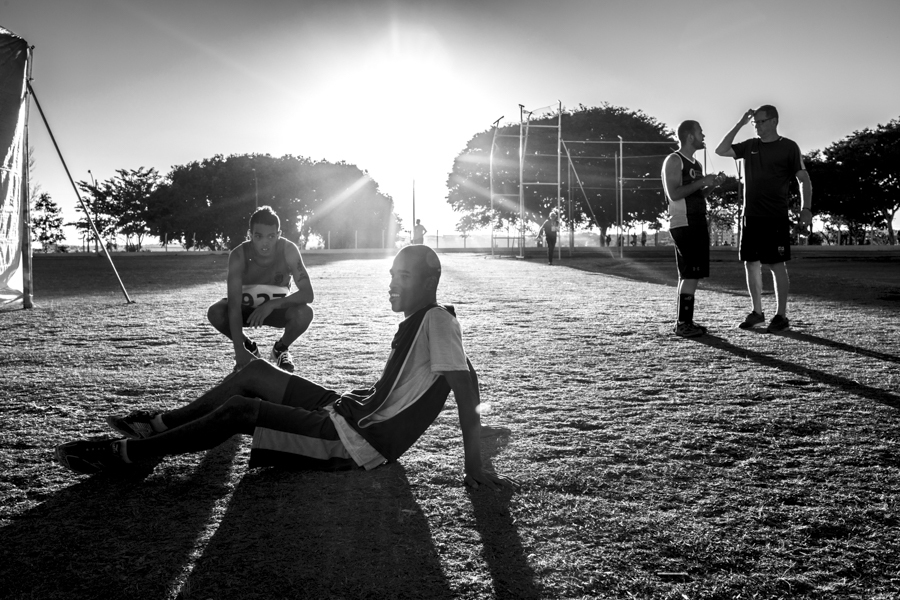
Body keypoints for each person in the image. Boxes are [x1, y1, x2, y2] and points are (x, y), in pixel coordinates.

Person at [54, 246, 515, 491]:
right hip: (349, 410)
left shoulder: (436, 319)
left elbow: (462, 383)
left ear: (430, 282)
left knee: (241, 408)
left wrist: (473, 463)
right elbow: (460, 378)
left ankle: (131, 455)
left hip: (357, 442)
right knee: (254, 372)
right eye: (392, 275)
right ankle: (156, 425)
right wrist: (486, 431)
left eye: (404, 277)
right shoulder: (431, 320)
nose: (391, 284)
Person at [715, 105, 813, 332]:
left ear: (773, 121)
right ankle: (757, 312)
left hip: (775, 216)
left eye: (760, 122)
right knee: (751, 263)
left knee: (776, 264)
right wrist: (740, 123)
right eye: (754, 123)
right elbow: (721, 150)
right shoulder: (750, 146)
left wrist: (806, 208)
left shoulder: (789, 147)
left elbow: (803, 179)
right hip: (751, 216)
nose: (756, 126)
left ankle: (781, 316)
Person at [206, 206, 314, 373]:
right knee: (216, 312)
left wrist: (271, 305)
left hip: (278, 310)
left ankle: (280, 349)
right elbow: (234, 306)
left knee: (305, 313)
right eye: (259, 236)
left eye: (271, 236)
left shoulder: (288, 250)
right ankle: (248, 348)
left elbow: (308, 294)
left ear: (279, 234)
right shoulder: (238, 255)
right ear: (250, 235)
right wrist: (239, 350)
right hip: (246, 309)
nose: (265, 242)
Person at [662, 120, 722, 338]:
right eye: (700, 132)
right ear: (689, 136)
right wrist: (702, 182)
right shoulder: (674, 160)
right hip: (684, 222)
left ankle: (685, 322)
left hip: (696, 220)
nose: (703, 135)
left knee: (688, 274)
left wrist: (710, 187)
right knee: (690, 274)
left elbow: (694, 194)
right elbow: (674, 194)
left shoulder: (695, 164)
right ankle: (683, 324)